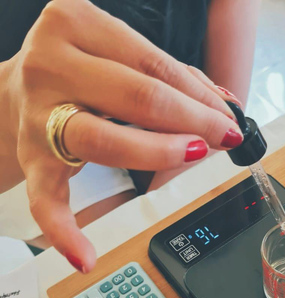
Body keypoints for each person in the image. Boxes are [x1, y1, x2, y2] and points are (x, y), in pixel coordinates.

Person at [0, 0, 260, 273]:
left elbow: (223, 117)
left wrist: (161, 210)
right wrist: (9, 101)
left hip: (163, 115)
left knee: (191, 230)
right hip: (34, 113)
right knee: (116, 250)